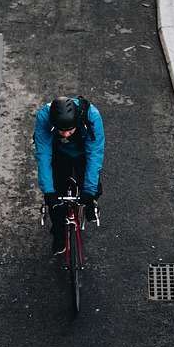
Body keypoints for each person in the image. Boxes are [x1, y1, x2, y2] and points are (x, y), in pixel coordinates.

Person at [34, 95, 105, 254]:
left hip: (83, 153)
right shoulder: (44, 117)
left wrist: (89, 190)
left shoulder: (92, 116)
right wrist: (49, 191)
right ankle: (59, 236)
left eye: (70, 130)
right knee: (55, 200)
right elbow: (43, 155)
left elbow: (95, 153)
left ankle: (89, 205)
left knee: (93, 188)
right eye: (61, 130)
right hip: (58, 153)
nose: (66, 135)